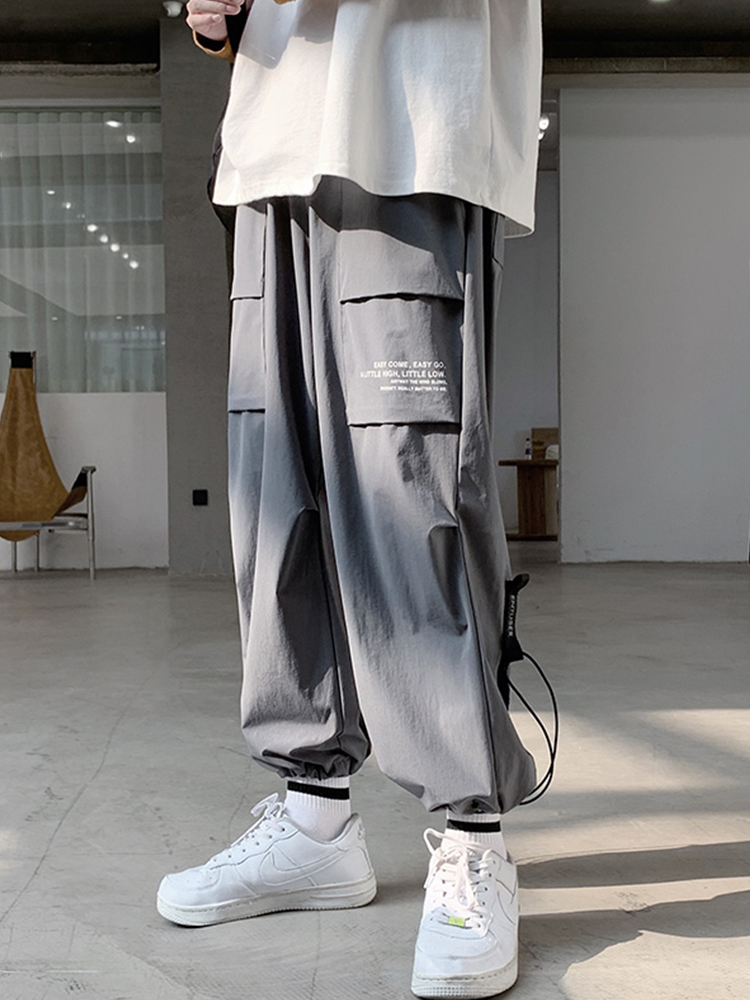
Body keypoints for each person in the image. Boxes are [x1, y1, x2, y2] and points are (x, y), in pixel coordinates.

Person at [156, 2, 543, 996]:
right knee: (274, 495)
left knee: (410, 496)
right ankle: (315, 817)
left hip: (408, 122)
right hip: (268, 152)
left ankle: (472, 835)